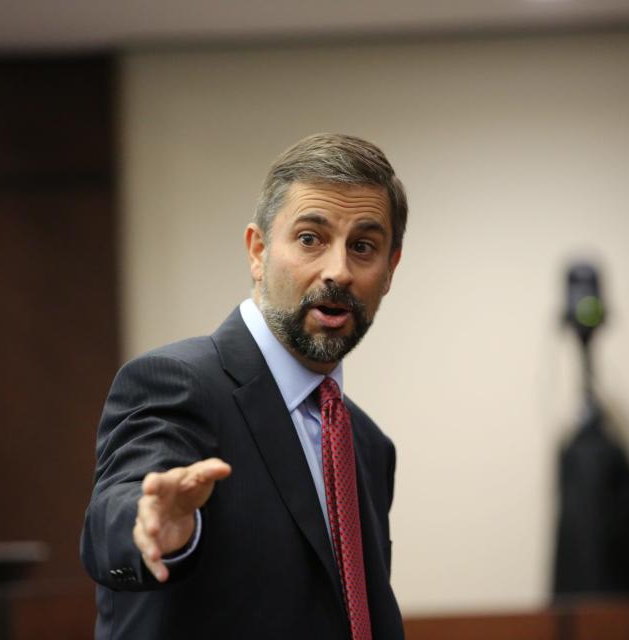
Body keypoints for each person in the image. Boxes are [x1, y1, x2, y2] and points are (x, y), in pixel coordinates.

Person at [81, 133, 407, 639]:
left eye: (363, 247)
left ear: (389, 271)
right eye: (309, 239)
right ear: (257, 251)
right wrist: (151, 526)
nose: (338, 271)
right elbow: (116, 512)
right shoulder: (176, 382)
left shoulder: (367, 444)